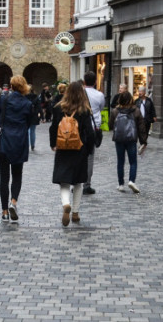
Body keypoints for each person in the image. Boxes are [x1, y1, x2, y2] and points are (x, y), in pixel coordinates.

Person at [49, 81, 96, 226]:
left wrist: (53, 144)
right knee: (78, 182)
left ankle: (65, 204)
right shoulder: (84, 110)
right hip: (79, 149)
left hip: (63, 148)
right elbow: (89, 132)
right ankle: (75, 212)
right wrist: (89, 149)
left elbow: (52, 128)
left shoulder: (59, 108)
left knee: (64, 180)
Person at [0, 75, 35, 224]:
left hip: (4, 141)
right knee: (17, 175)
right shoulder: (27, 103)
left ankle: (4, 211)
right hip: (19, 142)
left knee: (4, 178)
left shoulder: (4, 100)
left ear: (11, 87)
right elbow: (30, 122)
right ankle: (13, 202)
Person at [108, 91, 148, 194]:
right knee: (133, 161)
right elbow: (141, 127)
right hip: (131, 139)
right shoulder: (136, 111)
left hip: (119, 139)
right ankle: (131, 181)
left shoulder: (115, 111)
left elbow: (110, 125)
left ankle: (121, 184)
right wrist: (143, 141)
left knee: (120, 161)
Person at [82, 71, 106, 195]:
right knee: (90, 157)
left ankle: (76, 182)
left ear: (84, 81)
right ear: (95, 82)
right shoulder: (100, 95)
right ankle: (87, 184)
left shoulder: (80, 93)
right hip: (93, 128)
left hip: (80, 127)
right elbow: (101, 108)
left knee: (79, 155)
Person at [25, 85, 40, 151]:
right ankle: (32, 145)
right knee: (33, 131)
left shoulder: (24, 97)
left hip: (26, 115)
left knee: (27, 131)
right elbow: (39, 107)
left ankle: (27, 145)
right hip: (34, 116)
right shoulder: (36, 97)